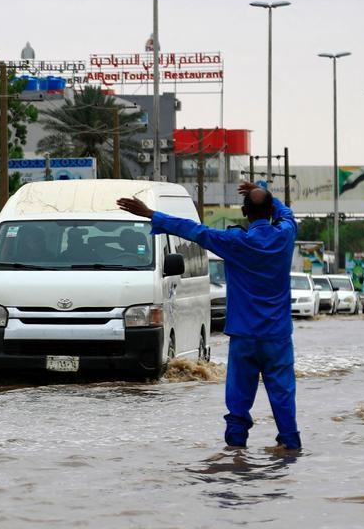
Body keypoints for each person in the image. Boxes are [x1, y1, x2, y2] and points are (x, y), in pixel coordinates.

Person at [116, 183, 301, 450]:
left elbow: (193, 230)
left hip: (244, 336)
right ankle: (290, 453)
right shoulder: (285, 236)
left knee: (238, 403)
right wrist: (262, 191)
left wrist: (151, 214)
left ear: (244, 212)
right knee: (284, 398)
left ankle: (235, 458)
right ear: (271, 211)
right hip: (278, 337)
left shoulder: (235, 242)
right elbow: (287, 215)